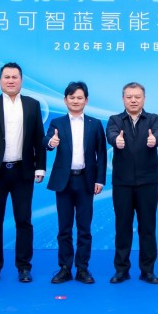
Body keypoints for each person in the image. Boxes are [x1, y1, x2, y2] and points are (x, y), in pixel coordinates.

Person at [0, 62, 46, 284]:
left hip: (23, 171)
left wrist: (40, 166)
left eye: (15, 77)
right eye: (6, 77)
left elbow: (39, 138)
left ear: (21, 80)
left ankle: (24, 266)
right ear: (0, 80)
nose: (10, 80)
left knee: (24, 221)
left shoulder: (32, 105)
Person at [44, 81, 107, 284]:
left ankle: (82, 268)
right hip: (64, 181)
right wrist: (51, 142)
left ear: (86, 101)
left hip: (86, 181)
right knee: (64, 228)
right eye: (72, 97)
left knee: (84, 227)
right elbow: (47, 141)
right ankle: (64, 268)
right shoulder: (57, 123)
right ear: (65, 100)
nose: (76, 101)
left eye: (80, 97)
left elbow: (102, 154)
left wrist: (100, 179)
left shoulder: (95, 124)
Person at [106, 82, 158, 284]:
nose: (133, 100)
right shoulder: (115, 120)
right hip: (122, 183)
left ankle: (147, 270)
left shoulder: (153, 119)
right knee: (122, 226)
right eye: (129, 97)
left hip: (148, 182)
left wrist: (154, 140)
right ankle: (121, 270)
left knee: (147, 227)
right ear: (123, 99)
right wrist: (116, 141)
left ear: (144, 99)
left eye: (137, 97)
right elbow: (110, 135)